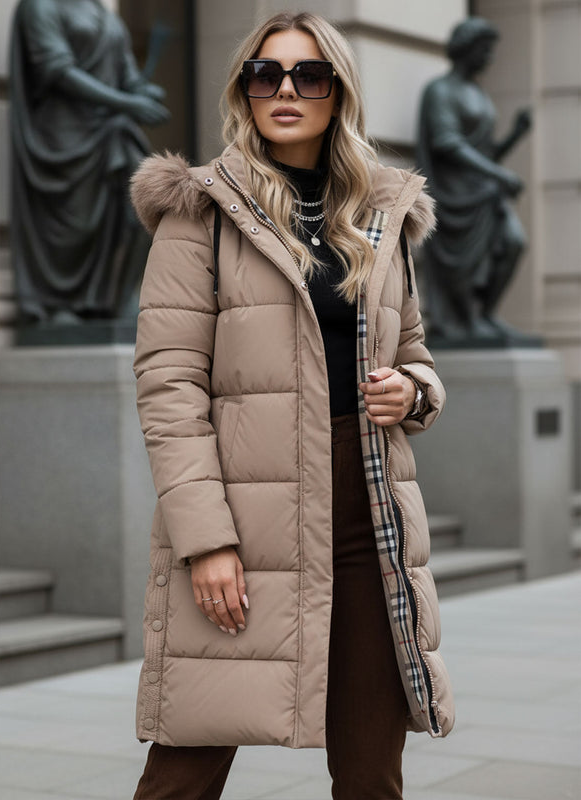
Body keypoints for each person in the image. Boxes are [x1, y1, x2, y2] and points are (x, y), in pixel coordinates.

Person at [130, 12, 454, 800]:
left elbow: (415, 355)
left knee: (372, 772)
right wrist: (205, 539)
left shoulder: (381, 217)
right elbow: (168, 387)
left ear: (336, 92)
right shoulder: (199, 212)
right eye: (264, 73)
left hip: (367, 516)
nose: (284, 89)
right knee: (187, 768)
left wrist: (412, 392)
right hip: (250, 514)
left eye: (308, 75)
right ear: (243, 90)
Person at [10, 0, 169, 324]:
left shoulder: (100, 11)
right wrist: (128, 103)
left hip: (113, 132)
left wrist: (142, 91)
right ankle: (59, 305)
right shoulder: (40, 6)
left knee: (142, 212)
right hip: (64, 136)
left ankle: (119, 300)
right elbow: (57, 71)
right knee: (76, 226)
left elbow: (126, 73)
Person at [417, 17, 532, 345]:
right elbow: (447, 144)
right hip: (456, 195)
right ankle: (466, 321)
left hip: (483, 192)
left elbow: (485, 151)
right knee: (463, 264)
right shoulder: (440, 91)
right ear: (466, 49)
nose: (490, 58)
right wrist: (499, 175)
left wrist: (515, 135)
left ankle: (485, 315)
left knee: (513, 243)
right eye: (485, 50)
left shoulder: (477, 92)